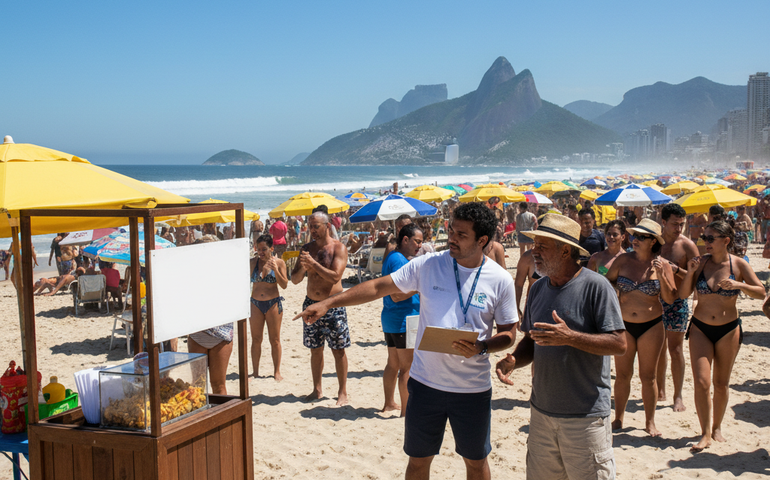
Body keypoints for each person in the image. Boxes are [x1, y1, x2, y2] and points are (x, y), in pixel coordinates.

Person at [295, 202, 517, 480]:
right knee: (417, 463)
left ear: (482, 240)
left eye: (461, 234)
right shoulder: (429, 264)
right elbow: (378, 287)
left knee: (475, 463)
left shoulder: (500, 279)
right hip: (425, 386)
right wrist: (329, 303)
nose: (451, 238)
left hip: (471, 390)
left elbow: (509, 333)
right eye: (451, 230)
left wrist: (483, 347)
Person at [496, 214, 626, 479]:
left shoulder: (596, 287)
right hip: (542, 414)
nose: (534, 252)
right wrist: (514, 360)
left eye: (542, 246)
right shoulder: (539, 289)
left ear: (565, 250)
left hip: (586, 417)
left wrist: (571, 337)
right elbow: (532, 340)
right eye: (535, 245)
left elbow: (619, 343)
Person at [678, 221, 765, 452]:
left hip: (728, 330)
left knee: (721, 383)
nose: (705, 242)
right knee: (702, 382)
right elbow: (684, 293)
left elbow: (761, 292)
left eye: (710, 238)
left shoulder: (738, 264)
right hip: (700, 328)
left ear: (726, 241)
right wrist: (690, 270)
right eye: (704, 237)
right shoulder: (700, 263)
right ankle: (705, 433)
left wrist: (738, 284)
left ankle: (717, 427)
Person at [605, 219, 676, 436]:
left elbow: (670, 299)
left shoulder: (663, 264)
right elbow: (607, 283)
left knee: (649, 376)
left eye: (641, 237)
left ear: (653, 241)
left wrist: (662, 276)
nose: (635, 240)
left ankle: (650, 422)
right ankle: (618, 419)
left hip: (651, 325)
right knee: (623, 374)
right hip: (624, 325)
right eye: (635, 236)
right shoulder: (623, 260)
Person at [291, 211, 350, 405]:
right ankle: (317, 390)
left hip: (333, 304)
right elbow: (295, 279)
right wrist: (303, 267)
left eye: (316, 226)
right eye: (310, 226)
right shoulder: (306, 249)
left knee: (338, 349)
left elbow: (335, 276)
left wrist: (314, 265)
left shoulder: (338, 247)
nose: (312, 230)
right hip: (310, 304)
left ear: (326, 226)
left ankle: (342, 392)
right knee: (315, 349)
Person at [656, 203, 699, 412]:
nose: (679, 228)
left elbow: (697, 277)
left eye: (681, 224)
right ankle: (661, 390)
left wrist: (676, 269)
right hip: (654, 300)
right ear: (663, 222)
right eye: (674, 224)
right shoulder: (655, 242)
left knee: (676, 349)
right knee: (658, 348)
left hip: (678, 301)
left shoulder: (687, 246)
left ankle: (678, 395)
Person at [380, 224, 422, 417]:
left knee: (393, 364)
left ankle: (389, 403)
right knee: (407, 368)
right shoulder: (399, 260)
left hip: (392, 319)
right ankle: (406, 412)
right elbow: (397, 295)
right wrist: (421, 286)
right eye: (417, 241)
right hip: (403, 319)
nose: (420, 246)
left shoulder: (392, 256)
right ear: (405, 240)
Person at [188, 236, 234, 395]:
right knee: (198, 387)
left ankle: (220, 419)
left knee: (219, 385)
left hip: (221, 333)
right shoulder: (191, 273)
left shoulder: (226, 273)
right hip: (199, 332)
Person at [250, 234, 288, 381]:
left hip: (273, 303)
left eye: (264, 249)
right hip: (255, 303)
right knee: (256, 339)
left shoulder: (279, 263)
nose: (261, 252)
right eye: (258, 249)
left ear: (271, 248)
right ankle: (255, 372)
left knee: (275, 339)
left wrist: (275, 270)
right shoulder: (253, 262)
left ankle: (277, 371)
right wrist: (263, 270)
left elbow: (284, 284)